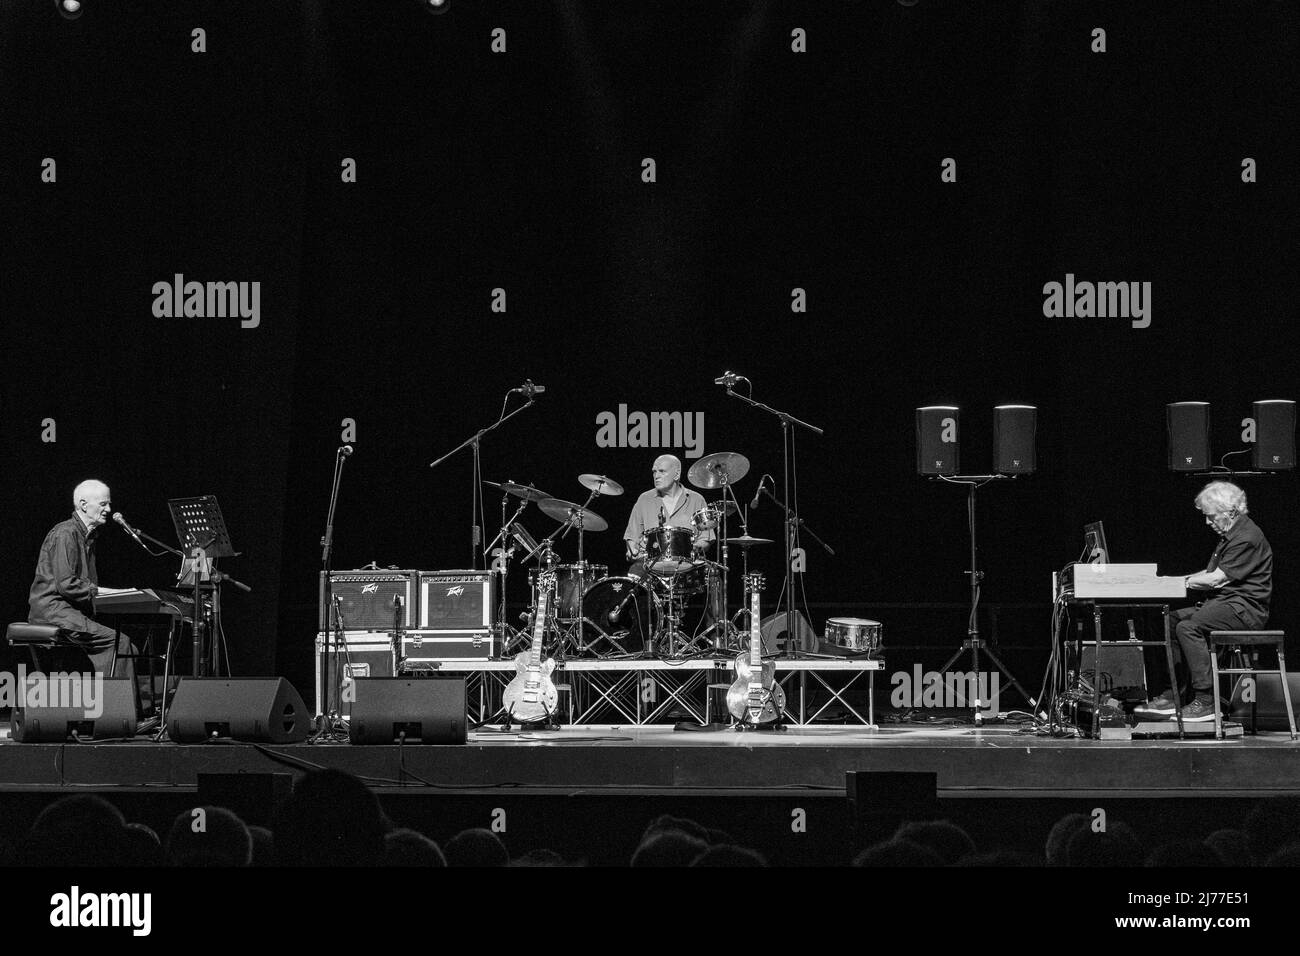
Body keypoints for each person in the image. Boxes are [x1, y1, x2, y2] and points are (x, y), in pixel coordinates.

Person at [1136, 481, 1271, 721]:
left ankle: (1206, 700)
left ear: (1230, 512)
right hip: (1226, 603)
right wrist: (1171, 580)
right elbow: (1209, 574)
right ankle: (1175, 695)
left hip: (1244, 610)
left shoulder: (1246, 537)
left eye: (1211, 516)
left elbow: (1217, 580)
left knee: (1188, 627)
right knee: (1170, 620)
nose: (1208, 522)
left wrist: (1180, 584)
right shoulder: (1230, 535)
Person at [28, 480, 134, 676]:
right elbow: (67, 585)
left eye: (108, 504)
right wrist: (111, 592)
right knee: (120, 643)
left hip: (70, 612)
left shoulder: (88, 537)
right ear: (84, 505)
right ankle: (117, 704)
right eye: (103, 504)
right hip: (54, 611)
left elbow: (85, 585)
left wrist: (117, 594)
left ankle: (135, 701)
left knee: (129, 650)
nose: (109, 510)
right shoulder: (66, 533)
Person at [623, 454, 713, 577]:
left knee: (713, 576)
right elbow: (632, 537)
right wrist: (632, 550)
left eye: (662, 471)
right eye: (654, 472)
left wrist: (692, 548)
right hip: (650, 567)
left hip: (688, 566)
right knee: (632, 578)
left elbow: (705, 539)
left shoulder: (697, 499)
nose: (656, 476)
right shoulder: (644, 499)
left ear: (676, 475)